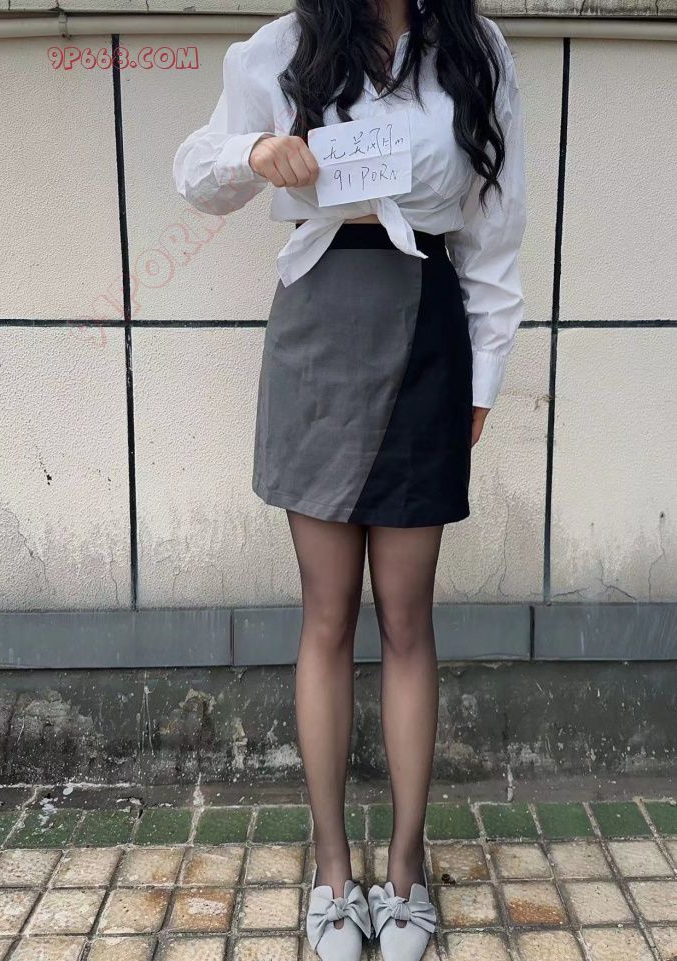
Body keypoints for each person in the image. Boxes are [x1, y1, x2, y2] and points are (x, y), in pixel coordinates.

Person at [173, 1, 526, 958]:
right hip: (319, 324)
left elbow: (496, 227)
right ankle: (334, 873)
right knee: (326, 614)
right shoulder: (286, 45)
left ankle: (404, 872)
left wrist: (485, 374)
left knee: (408, 618)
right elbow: (195, 172)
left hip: (428, 328)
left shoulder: (475, 47)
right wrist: (255, 153)